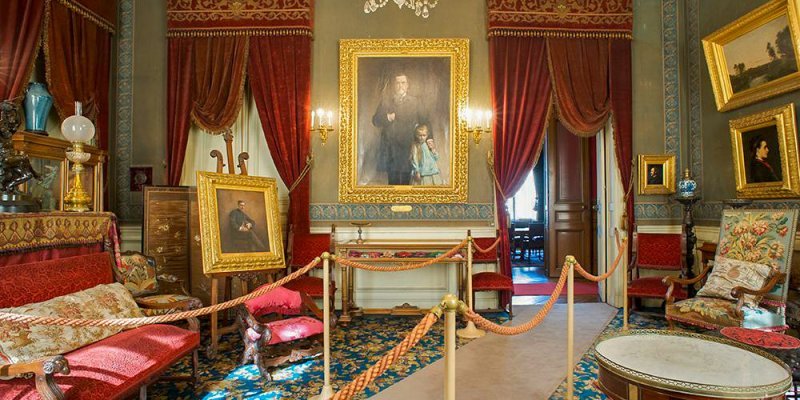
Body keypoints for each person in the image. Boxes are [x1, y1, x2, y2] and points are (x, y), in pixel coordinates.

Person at [372, 73, 428, 185]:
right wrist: (387, 117)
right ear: (394, 85)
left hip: (409, 146)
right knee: (393, 181)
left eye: (403, 83)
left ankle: (407, 202)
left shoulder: (416, 102)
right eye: (397, 83)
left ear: (407, 85)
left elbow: (425, 122)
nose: (400, 86)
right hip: (391, 148)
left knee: (408, 180)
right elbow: (375, 121)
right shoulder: (386, 101)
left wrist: (429, 139)